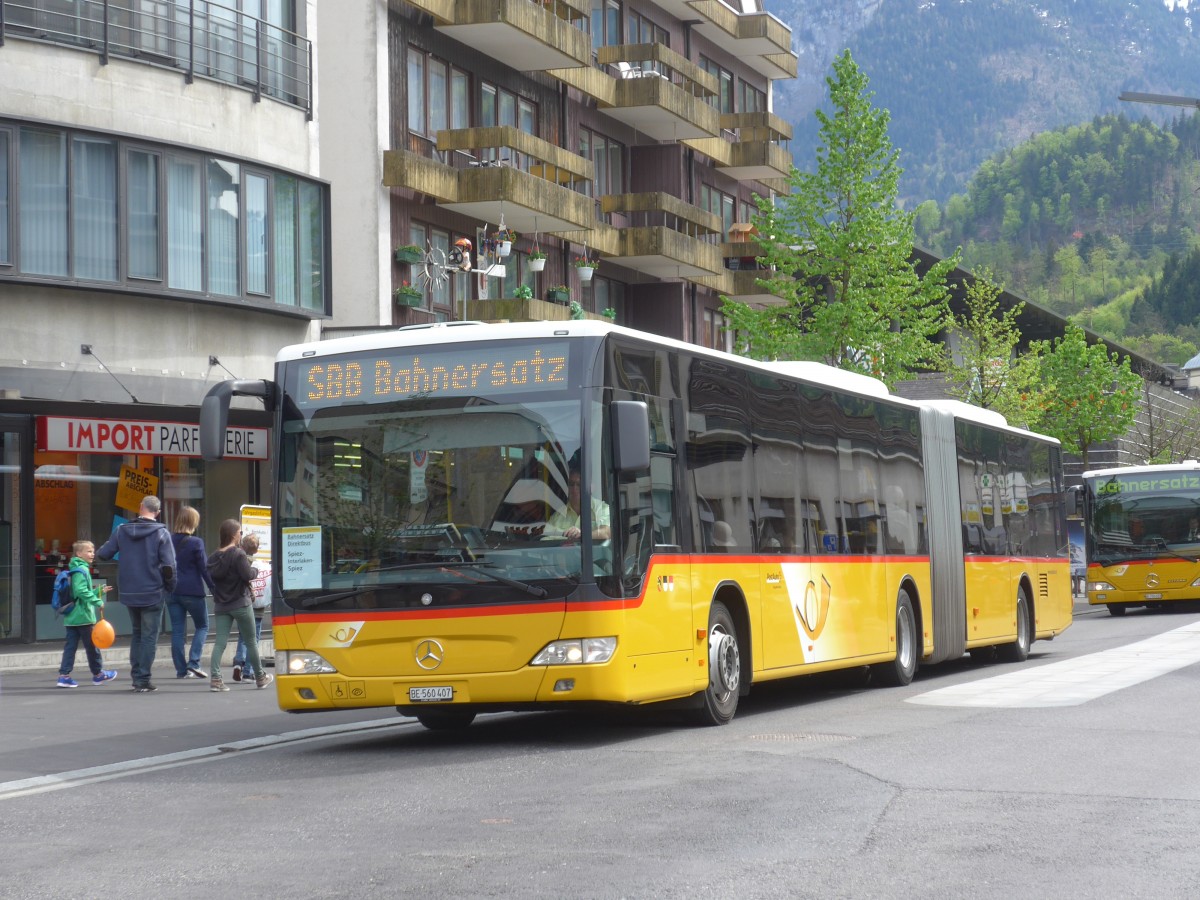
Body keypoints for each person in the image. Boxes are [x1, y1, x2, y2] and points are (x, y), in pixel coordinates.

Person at [97, 495, 176, 693]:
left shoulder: (121, 530)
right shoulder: (162, 533)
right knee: (149, 636)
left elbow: (104, 554)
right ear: (157, 513)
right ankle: (142, 679)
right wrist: (170, 586)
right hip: (153, 591)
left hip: (130, 590)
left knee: (138, 633)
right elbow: (169, 566)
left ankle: (137, 677)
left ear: (140, 508)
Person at [207, 519, 272, 692]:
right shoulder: (238, 554)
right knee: (251, 641)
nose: (241, 535)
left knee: (220, 642)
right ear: (233, 535)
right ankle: (260, 677)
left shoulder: (213, 557)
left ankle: (216, 679)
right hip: (241, 604)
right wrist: (256, 570)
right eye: (240, 532)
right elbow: (248, 574)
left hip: (221, 605)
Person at [56, 540, 118, 688]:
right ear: (79, 553)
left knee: (70, 647)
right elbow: (80, 591)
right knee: (92, 646)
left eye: (92, 551)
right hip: (83, 617)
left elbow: (79, 593)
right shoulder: (81, 569)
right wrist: (98, 601)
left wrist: (99, 591)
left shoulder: (75, 568)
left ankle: (64, 676)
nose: (92, 554)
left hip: (72, 617)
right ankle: (98, 674)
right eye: (89, 551)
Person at [168, 506, 217, 680]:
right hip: (192, 591)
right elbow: (204, 568)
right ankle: (194, 662)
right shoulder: (196, 542)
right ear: (193, 522)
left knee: (177, 631)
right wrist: (213, 588)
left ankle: (181, 670)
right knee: (202, 626)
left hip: (172, 591)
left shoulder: (167, 540)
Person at [231, 532, 268, 683]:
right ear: (257, 549)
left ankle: (239, 663)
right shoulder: (260, 565)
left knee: (242, 636)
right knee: (254, 639)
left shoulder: (239, 560)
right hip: (257, 608)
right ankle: (248, 672)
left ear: (242, 545)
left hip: (242, 604)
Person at [547, 468, 610, 542]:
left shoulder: (602, 508)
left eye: (579, 484)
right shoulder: (557, 516)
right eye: (571, 484)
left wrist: (582, 535)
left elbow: (607, 532)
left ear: (591, 488)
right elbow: (545, 540)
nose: (574, 489)